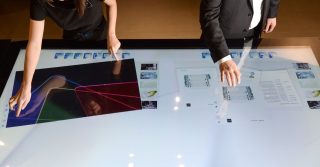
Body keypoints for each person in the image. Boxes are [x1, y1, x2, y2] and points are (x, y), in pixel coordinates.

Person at [9, 0, 121, 116]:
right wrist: (26, 85)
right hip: (72, 41)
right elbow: (34, 43)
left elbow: (112, 3)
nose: (93, 110)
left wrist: (111, 34)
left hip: (99, 36)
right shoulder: (40, 2)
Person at [200, 0, 280, 87]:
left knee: (244, 77)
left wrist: (271, 12)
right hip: (221, 41)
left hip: (254, 32)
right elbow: (208, 17)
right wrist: (224, 58)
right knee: (212, 84)